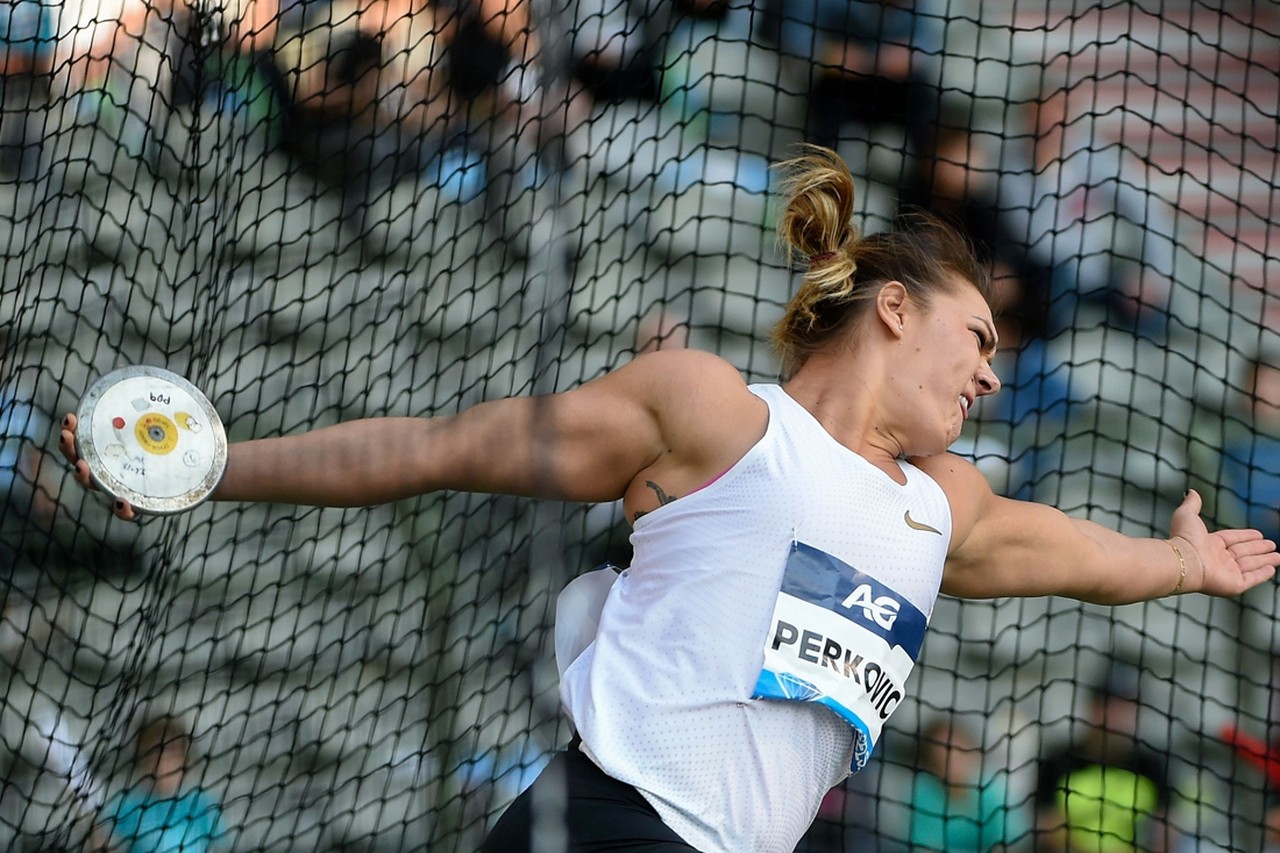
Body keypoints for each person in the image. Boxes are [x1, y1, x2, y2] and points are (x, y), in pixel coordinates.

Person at [58, 145, 1279, 853]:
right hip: (612, 821)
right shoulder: (716, 415)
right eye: (972, 335)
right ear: (893, 310)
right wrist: (219, 465)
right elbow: (438, 446)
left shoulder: (938, 506)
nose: (988, 369)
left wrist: (1180, 564)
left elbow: (1057, 550)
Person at [1035, 662, 1174, 853]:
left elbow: (1166, 830)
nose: (1115, 715)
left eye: (1124, 706)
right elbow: (1049, 828)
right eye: (1108, 704)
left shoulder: (1152, 765)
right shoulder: (1059, 761)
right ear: (1093, 707)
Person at [93, 713, 229, 853]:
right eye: (153, 755)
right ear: (141, 760)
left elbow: (220, 848)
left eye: (171, 755)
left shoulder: (202, 804)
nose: (161, 764)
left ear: (184, 759)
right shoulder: (127, 807)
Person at [908, 716, 1027, 852]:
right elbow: (923, 847)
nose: (952, 758)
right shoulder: (921, 795)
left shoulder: (992, 788)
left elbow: (1012, 840)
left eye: (959, 748)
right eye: (941, 752)